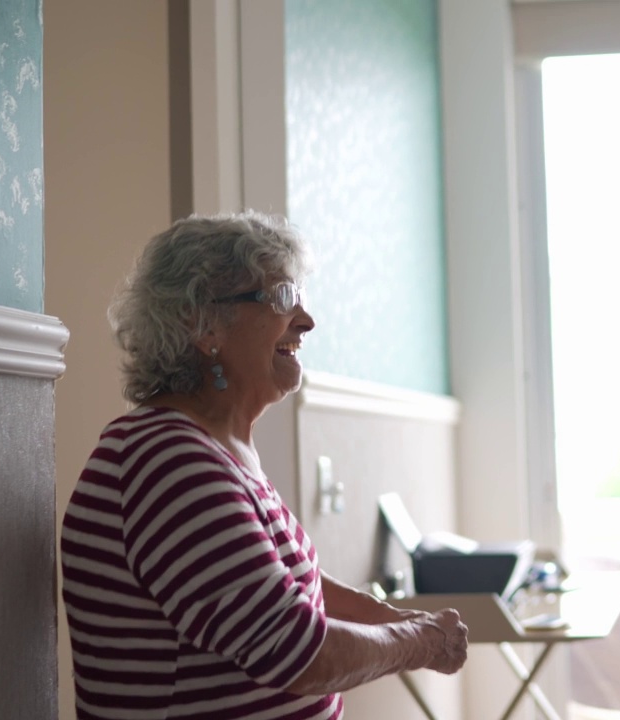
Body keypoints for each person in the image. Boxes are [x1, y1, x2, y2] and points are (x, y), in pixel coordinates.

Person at [60, 211, 468, 719]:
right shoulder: (166, 460)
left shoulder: (212, 450)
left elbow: (284, 587)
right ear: (202, 324)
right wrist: (414, 641)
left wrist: (394, 618)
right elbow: (296, 652)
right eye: (280, 298)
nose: (306, 320)